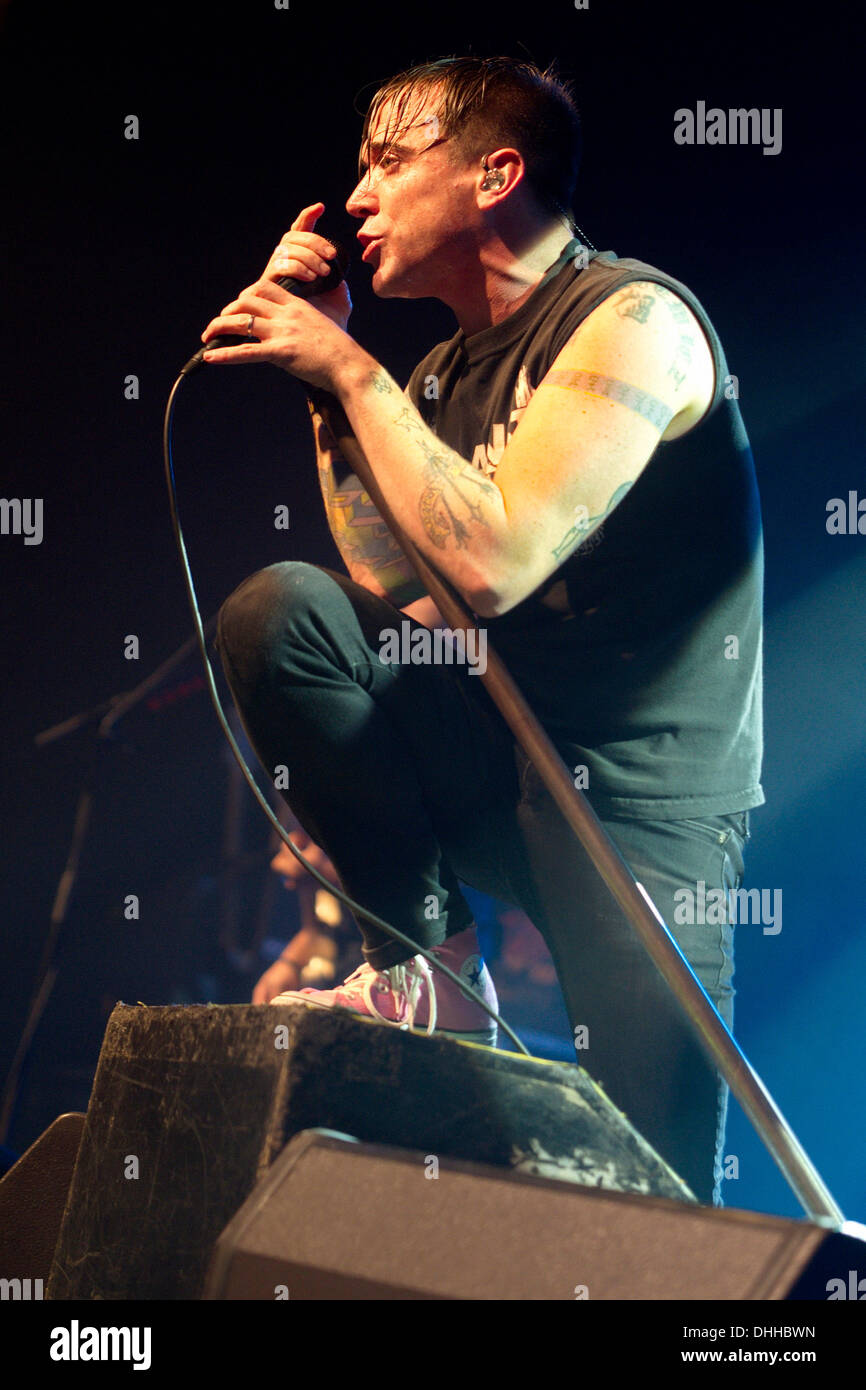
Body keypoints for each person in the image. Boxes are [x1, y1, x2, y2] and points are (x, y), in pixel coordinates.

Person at [204, 56, 764, 1204]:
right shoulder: (444, 372)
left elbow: (494, 562)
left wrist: (351, 372)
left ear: (493, 175)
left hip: (631, 817)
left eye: (388, 163)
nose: (355, 194)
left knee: (649, 1203)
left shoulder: (632, 322)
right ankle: (426, 963)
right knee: (283, 614)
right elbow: (395, 589)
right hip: (492, 761)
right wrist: (329, 385)